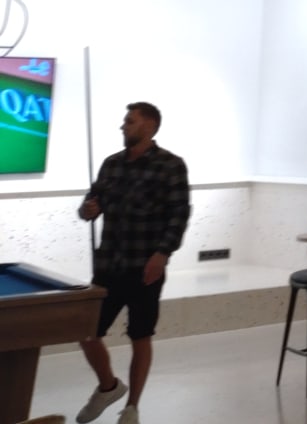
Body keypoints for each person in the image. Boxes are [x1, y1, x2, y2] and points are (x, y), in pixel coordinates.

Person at [75, 101, 191, 424]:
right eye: (125, 121)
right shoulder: (111, 164)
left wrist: (162, 254)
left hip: (145, 266)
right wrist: (88, 210)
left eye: (130, 121)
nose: (123, 126)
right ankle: (108, 386)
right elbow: (89, 205)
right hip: (108, 264)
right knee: (87, 331)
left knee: (140, 335)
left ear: (150, 126)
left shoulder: (170, 165)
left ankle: (132, 408)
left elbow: (179, 215)